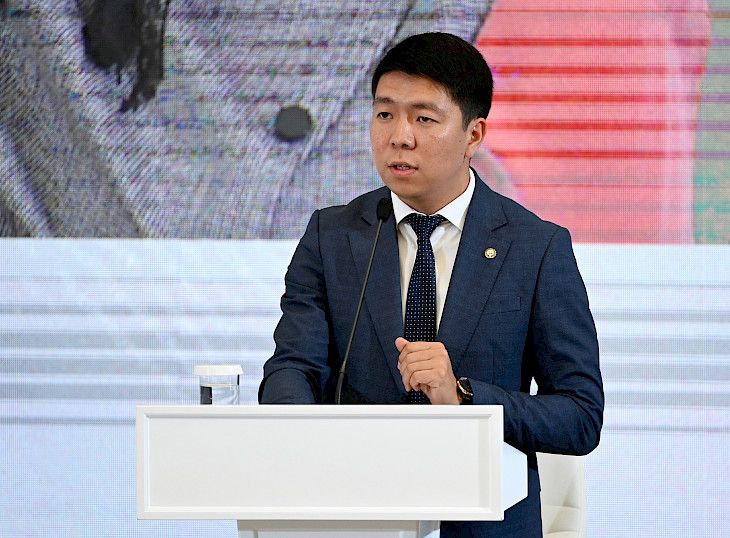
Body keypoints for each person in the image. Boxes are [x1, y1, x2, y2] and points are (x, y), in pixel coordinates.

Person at [259, 32, 604, 537]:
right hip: (356, 517)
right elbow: (293, 368)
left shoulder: (536, 248)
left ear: (473, 134)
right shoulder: (331, 236)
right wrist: (304, 442)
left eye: (423, 118)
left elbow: (579, 415)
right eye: (384, 114)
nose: (399, 137)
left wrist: (463, 396)